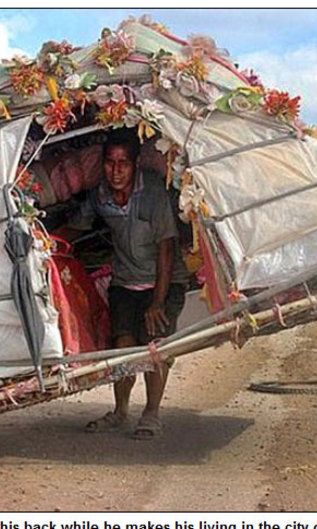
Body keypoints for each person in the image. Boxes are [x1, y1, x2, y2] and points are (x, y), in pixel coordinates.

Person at [65, 130, 190, 439]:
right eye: (110, 163)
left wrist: (158, 302)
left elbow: (166, 248)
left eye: (123, 163)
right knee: (122, 346)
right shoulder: (100, 196)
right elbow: (74, 227)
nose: (116, 171)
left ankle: (151, 412)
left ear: (135, 164)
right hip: (125, 281)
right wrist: (45, 243)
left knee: (155, 348)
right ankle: (121, 411)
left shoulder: (153, 193)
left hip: (165, 281)